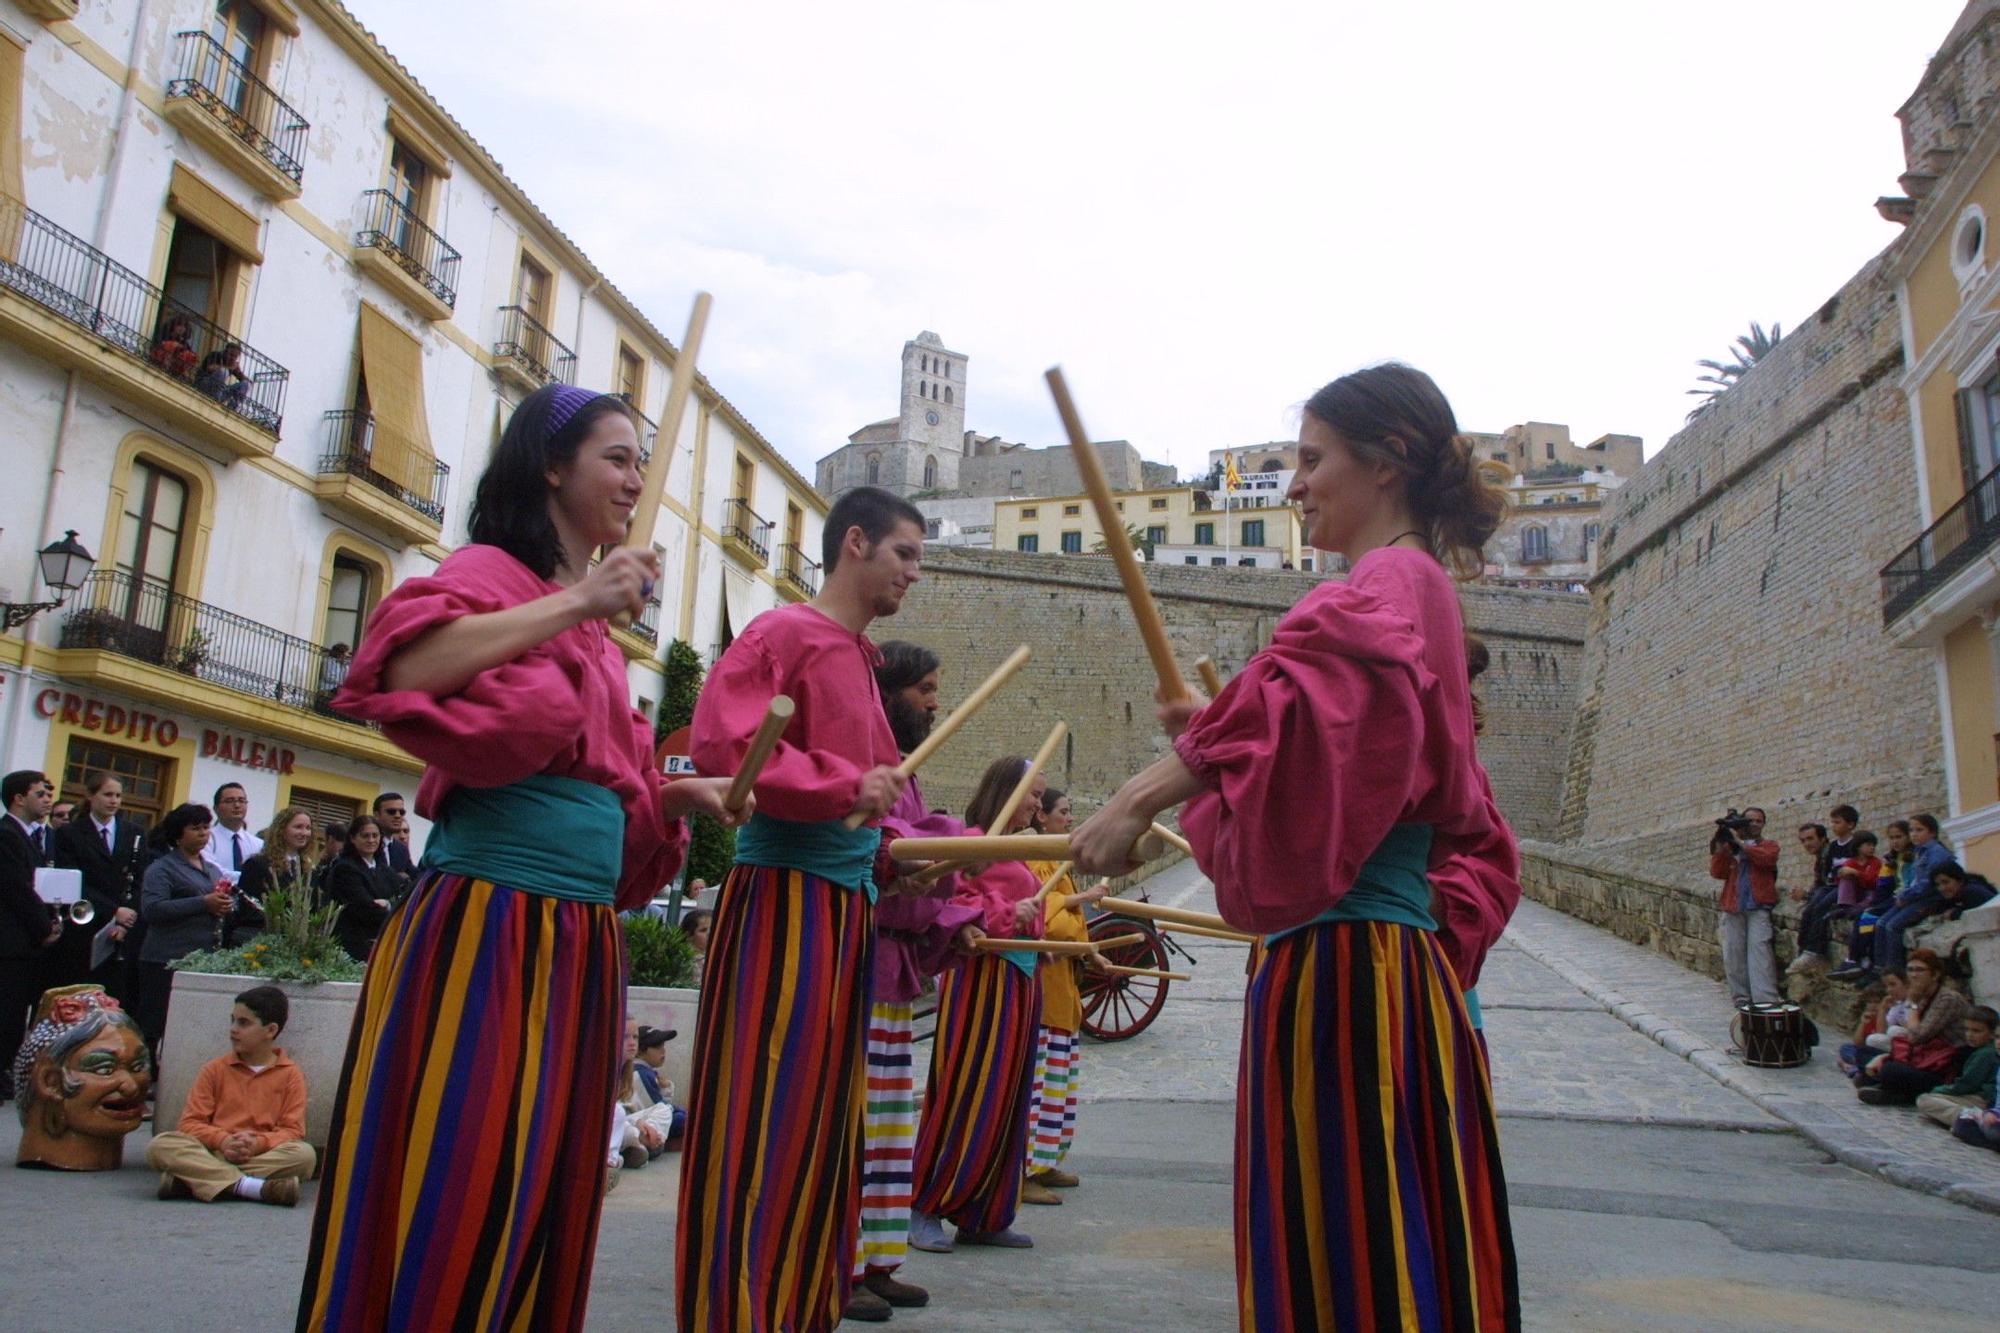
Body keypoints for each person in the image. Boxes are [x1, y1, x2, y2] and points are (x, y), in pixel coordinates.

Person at [1069, 363, 1521, 1330]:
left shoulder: (1392, 580)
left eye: (1312, 459)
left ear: (1388, 460)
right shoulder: (1416, 590)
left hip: (1350, 975)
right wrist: (1222, 739)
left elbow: (1301, 689)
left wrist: (1141, 792)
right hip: (1368, 966)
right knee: (1370, 1235)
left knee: (1349, 1247)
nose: (1296, 484)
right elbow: (1328, 751)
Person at [296, 382, 741, 1333]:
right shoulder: (496, 573)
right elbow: (405, 666)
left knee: (545, 1175)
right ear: (550, 464)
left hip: (576, 941)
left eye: (638, 459)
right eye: (616, 457)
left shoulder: (589, 626)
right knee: (462, 1162)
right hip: (488, 926)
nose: (634, 478)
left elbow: (592, 782)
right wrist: (581, 595)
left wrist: (670, 795)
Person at [679, 485, 921, 1332]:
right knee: (762, 1111)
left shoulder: (860, 656)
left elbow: (871, 803)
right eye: (905, 554)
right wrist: (844, 788)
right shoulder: (782, 632)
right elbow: (726, 746)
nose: (913, 574)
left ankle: (798, 1306)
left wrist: (896, 857)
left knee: (821, 1118)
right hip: (783, 903)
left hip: (843, 907)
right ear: (855, 543)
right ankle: (739, 1311)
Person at [848, 639, 981, 1319]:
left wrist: (944, 894)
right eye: (924, 689)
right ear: (890, 690)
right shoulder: (870, 763)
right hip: (863, 963)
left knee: (892, 1123)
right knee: (858, 1122)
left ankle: (878, 1256)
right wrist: (920, 851)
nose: (935, 702)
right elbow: (874, 848)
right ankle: (841, 1260)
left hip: (894, 971)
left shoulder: (908, 770)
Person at [908, 755, 1047, 1254]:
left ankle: (984, 1211)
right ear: (1008, 790)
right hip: (983, 979)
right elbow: (955, 904)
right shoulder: (972, 845)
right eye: (1033, 792)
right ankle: (925, 1203)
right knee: (968, 1086)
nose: (1038, 803)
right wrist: (1014, 912)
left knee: (1008, 1096)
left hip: (1021, 980)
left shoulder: (1016, 850)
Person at [147, 984, 314, 1205]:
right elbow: (190, 1123)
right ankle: (252, 1187)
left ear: (270, 1030)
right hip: (216, 1150)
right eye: (233, 1020)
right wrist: (223, 1141)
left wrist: (257, 1143)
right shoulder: (214, 1069)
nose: (233, 1029)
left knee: (304, 1156)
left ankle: (193, 1181)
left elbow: (292, 1131)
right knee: (161, 1145)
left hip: (256, 1153)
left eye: (244, 1023)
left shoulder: (291, 1074)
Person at [1024, 787, 1104, 1204]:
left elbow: (1070, 921)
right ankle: (1027, 1169)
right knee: (1040, 1085)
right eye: (1063, 812)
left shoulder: (1058, 862)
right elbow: (1053, 923)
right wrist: (1077, 911)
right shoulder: (1038, 860)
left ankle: (1047, 1159)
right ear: (1043, 820)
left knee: (1059, 1083)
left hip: (1063, 993)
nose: (1069, 819)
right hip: (1045, 991)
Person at [136, 803, 232, 1061]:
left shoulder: (211, 869)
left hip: (201, 956)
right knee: (154, 1024)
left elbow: (214, 901)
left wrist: (222, 905)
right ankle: (147, 1074)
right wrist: (203, 903)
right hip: (165, 956)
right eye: (195, 828)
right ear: (179, 835)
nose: (203, 833)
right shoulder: (162, 868)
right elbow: (153, 909)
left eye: (206, 828)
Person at [49, 771, 150, 995]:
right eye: (107, 794)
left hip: (121, 930)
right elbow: (73, 880)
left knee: (113, 994)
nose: (114, 800)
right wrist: (113, 911)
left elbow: (139, 878)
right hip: (85, 923)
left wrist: (126, 919)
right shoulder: (70, 833)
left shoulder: (134, 832)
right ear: (91, 796)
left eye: (118, 795)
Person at [1, 770, 62, 1101]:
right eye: (40, 793)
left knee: (19, 1011)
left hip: (30, 940)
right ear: (19, 798)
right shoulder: (7, 835)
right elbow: (19, 890)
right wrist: (43, 929)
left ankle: (10, 1068)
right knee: (7, 1011)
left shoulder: (39, 837)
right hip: (12, 940)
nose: (48, 799)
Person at [1855, 948, 1972, 1104]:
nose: (1913, 975)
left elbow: (1916, 1037)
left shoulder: (1947, 999)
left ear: (1935, 974)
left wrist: (1912, 1004)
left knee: (1889, 1070)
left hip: (1944, 1066)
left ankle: (1896, 1091)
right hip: (1924, 1056)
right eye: (1910, 970)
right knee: (1863, 1053)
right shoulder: (1923, 996)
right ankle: (1894, 1090)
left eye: (1920, 970)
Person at [1710, 808, 1781, 1007]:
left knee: (1760, 953)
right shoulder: (1732, 848)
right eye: (1750, 821)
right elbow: (1717, 872)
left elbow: (1767, 859)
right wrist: (1722, 846)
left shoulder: (1769, 845)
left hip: (1758, 906)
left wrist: (1740, 844)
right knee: (1733, 955)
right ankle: (1741, 998)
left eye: (1759, 821)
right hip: (1733, 906)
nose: (1754, 824)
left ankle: (1765, 1000)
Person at [1873, 813, 1953, 976]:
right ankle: (1880, 969)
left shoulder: (1936, 853)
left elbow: (1928, 883)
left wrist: (1906, 896)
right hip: (1914, 897)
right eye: (1912, 830)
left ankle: (1896, 972)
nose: (1914, 834)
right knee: (1880, 923)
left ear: (1932, 832)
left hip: (1931, 899)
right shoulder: (1920, 852)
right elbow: (1913, 880)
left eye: (1919, 830)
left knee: (1893, 926)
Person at [234, 807, 320, 948]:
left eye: (308, 828)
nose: (304, 833)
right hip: (261, 941)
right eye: (298, 827)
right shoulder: (258, 864)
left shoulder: (309, 870)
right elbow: (247, 908)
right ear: (282, 829)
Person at [318, 814, 394, 961]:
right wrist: (391, 910)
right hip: (352, 945)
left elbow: (402, 897)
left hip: (379, 943)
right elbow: (363, 907)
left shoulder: (385, 870)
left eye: (375, 835)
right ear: (352, 838)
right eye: (365, 836)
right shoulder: (345, 868)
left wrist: (389, 904)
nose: (371, 840)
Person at [1914, 1005, 1998, 1129]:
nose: (1969, 1035)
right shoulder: (1983, 1050)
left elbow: (1966, 1085)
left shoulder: (1985, 1054)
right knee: (1931, 1099)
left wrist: (1939, 1090)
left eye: (1976, 1031)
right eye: (1967, 1030)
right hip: (1977, 1097)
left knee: (1924, 1100)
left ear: (1992, 1034)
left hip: (1981, 1099)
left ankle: (1969, 1119)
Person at [1787, 821, 1837, 974]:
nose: (1806, 844)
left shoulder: (1830, 855)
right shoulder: (1821, 857)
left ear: (1822, 839)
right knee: (1808, 911)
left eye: (1810, 839)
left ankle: (1811, 952)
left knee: (1812, 910)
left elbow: (1829, 886)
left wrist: (1807, 896)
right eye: (1803, 840)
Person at [206, 783, 262, 886]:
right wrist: (247, 877)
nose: (237, 805)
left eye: (241, 801)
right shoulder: (206, 839)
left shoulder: (258, 844)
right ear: (216, 808)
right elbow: (212, 872)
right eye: (229, 801)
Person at [372, 792, 417, 882]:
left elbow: (416, 876)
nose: (397, 815)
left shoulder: (401, 849)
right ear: (376, 815)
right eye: (391, 812)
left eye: (401, 812)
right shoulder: (367, 843)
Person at [195, 342, 250, 409]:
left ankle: (232, 409)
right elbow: (210, 368)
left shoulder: (232, 364)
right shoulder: (215, 355)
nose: (232, 358)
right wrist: (229, 368)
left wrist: (241, 374)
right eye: (231, 355)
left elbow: (243, 379)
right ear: (225, 352)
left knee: (245, 384)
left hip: (220, 392)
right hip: (204, 385)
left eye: (235, 356)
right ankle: (215, 400)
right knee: (223, 371)